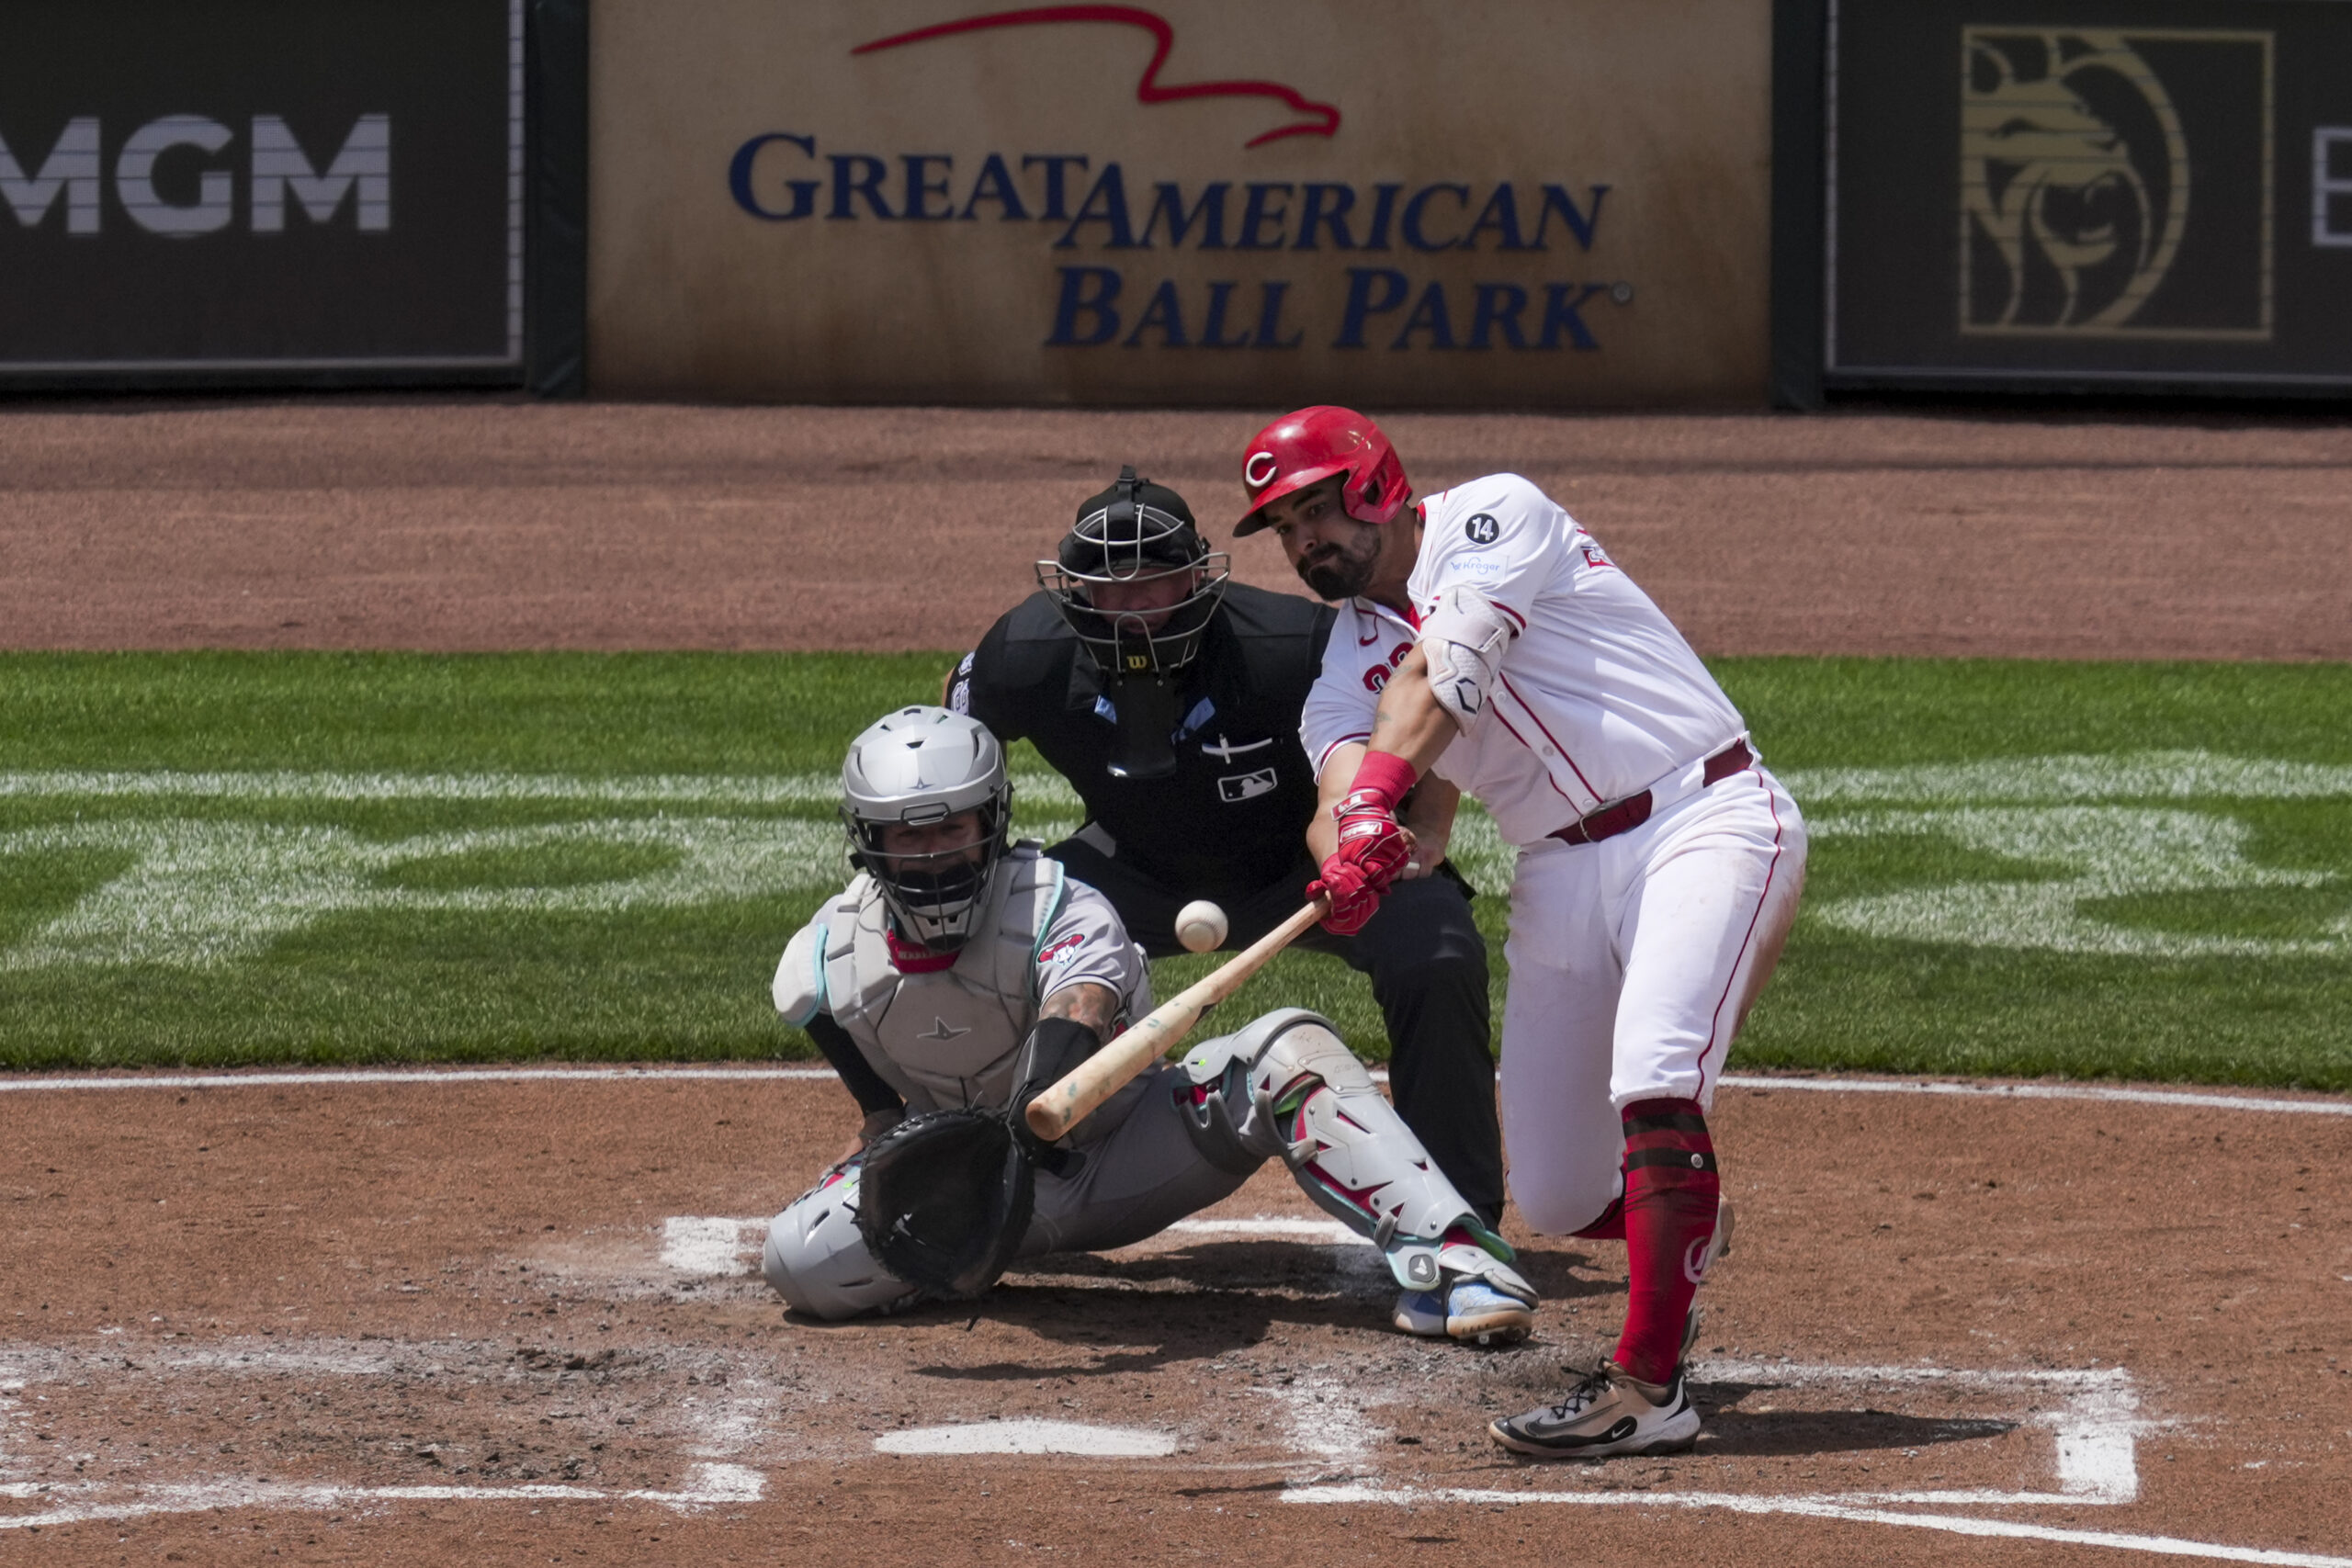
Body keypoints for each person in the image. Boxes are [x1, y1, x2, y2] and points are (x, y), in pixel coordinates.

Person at [1233, 406, 1808, 1458]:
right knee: (1552, 1191)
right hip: (1561, 870)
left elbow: (1444, 671)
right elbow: (1338, 777)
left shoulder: (1495, 516)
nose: (1305, 540)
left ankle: (1648, 1390)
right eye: (1284, 526)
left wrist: (1380, 805)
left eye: (1319, 508)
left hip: (1701, 814)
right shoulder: (1346, 653)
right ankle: (1683, 1224)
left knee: (1655, 1074)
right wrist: (1352, 861)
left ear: (1375, 486)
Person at [760, 705, 1537, 1346]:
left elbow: (1082, 1008)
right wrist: (893, 1132)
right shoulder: (829, 952)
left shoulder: (1060, 903)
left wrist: (1019, 1126)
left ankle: (1457, 1260)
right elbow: (847, 1048)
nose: (934, 857)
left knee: (1283, 1049)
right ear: (868, 838)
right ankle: (952, 1259)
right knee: (793, 1260)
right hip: (973, 1195)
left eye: (951, 829)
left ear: (991, 819)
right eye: (909, 834)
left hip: (1127, 1150)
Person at [946, 468, 1510, 1264]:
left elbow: (1412, 707)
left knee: (1437, 942)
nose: (1134, 606)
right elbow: (953, 731)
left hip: (1301, 867)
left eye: (1157, 583)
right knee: (989, 926)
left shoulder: (1288, 646)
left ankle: (1457, 1216)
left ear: (1198, 579)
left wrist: (1428, 816)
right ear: (1073, 593)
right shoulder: (1025, 651)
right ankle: (975, 1166)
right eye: (1112, 589)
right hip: (1131, 869)